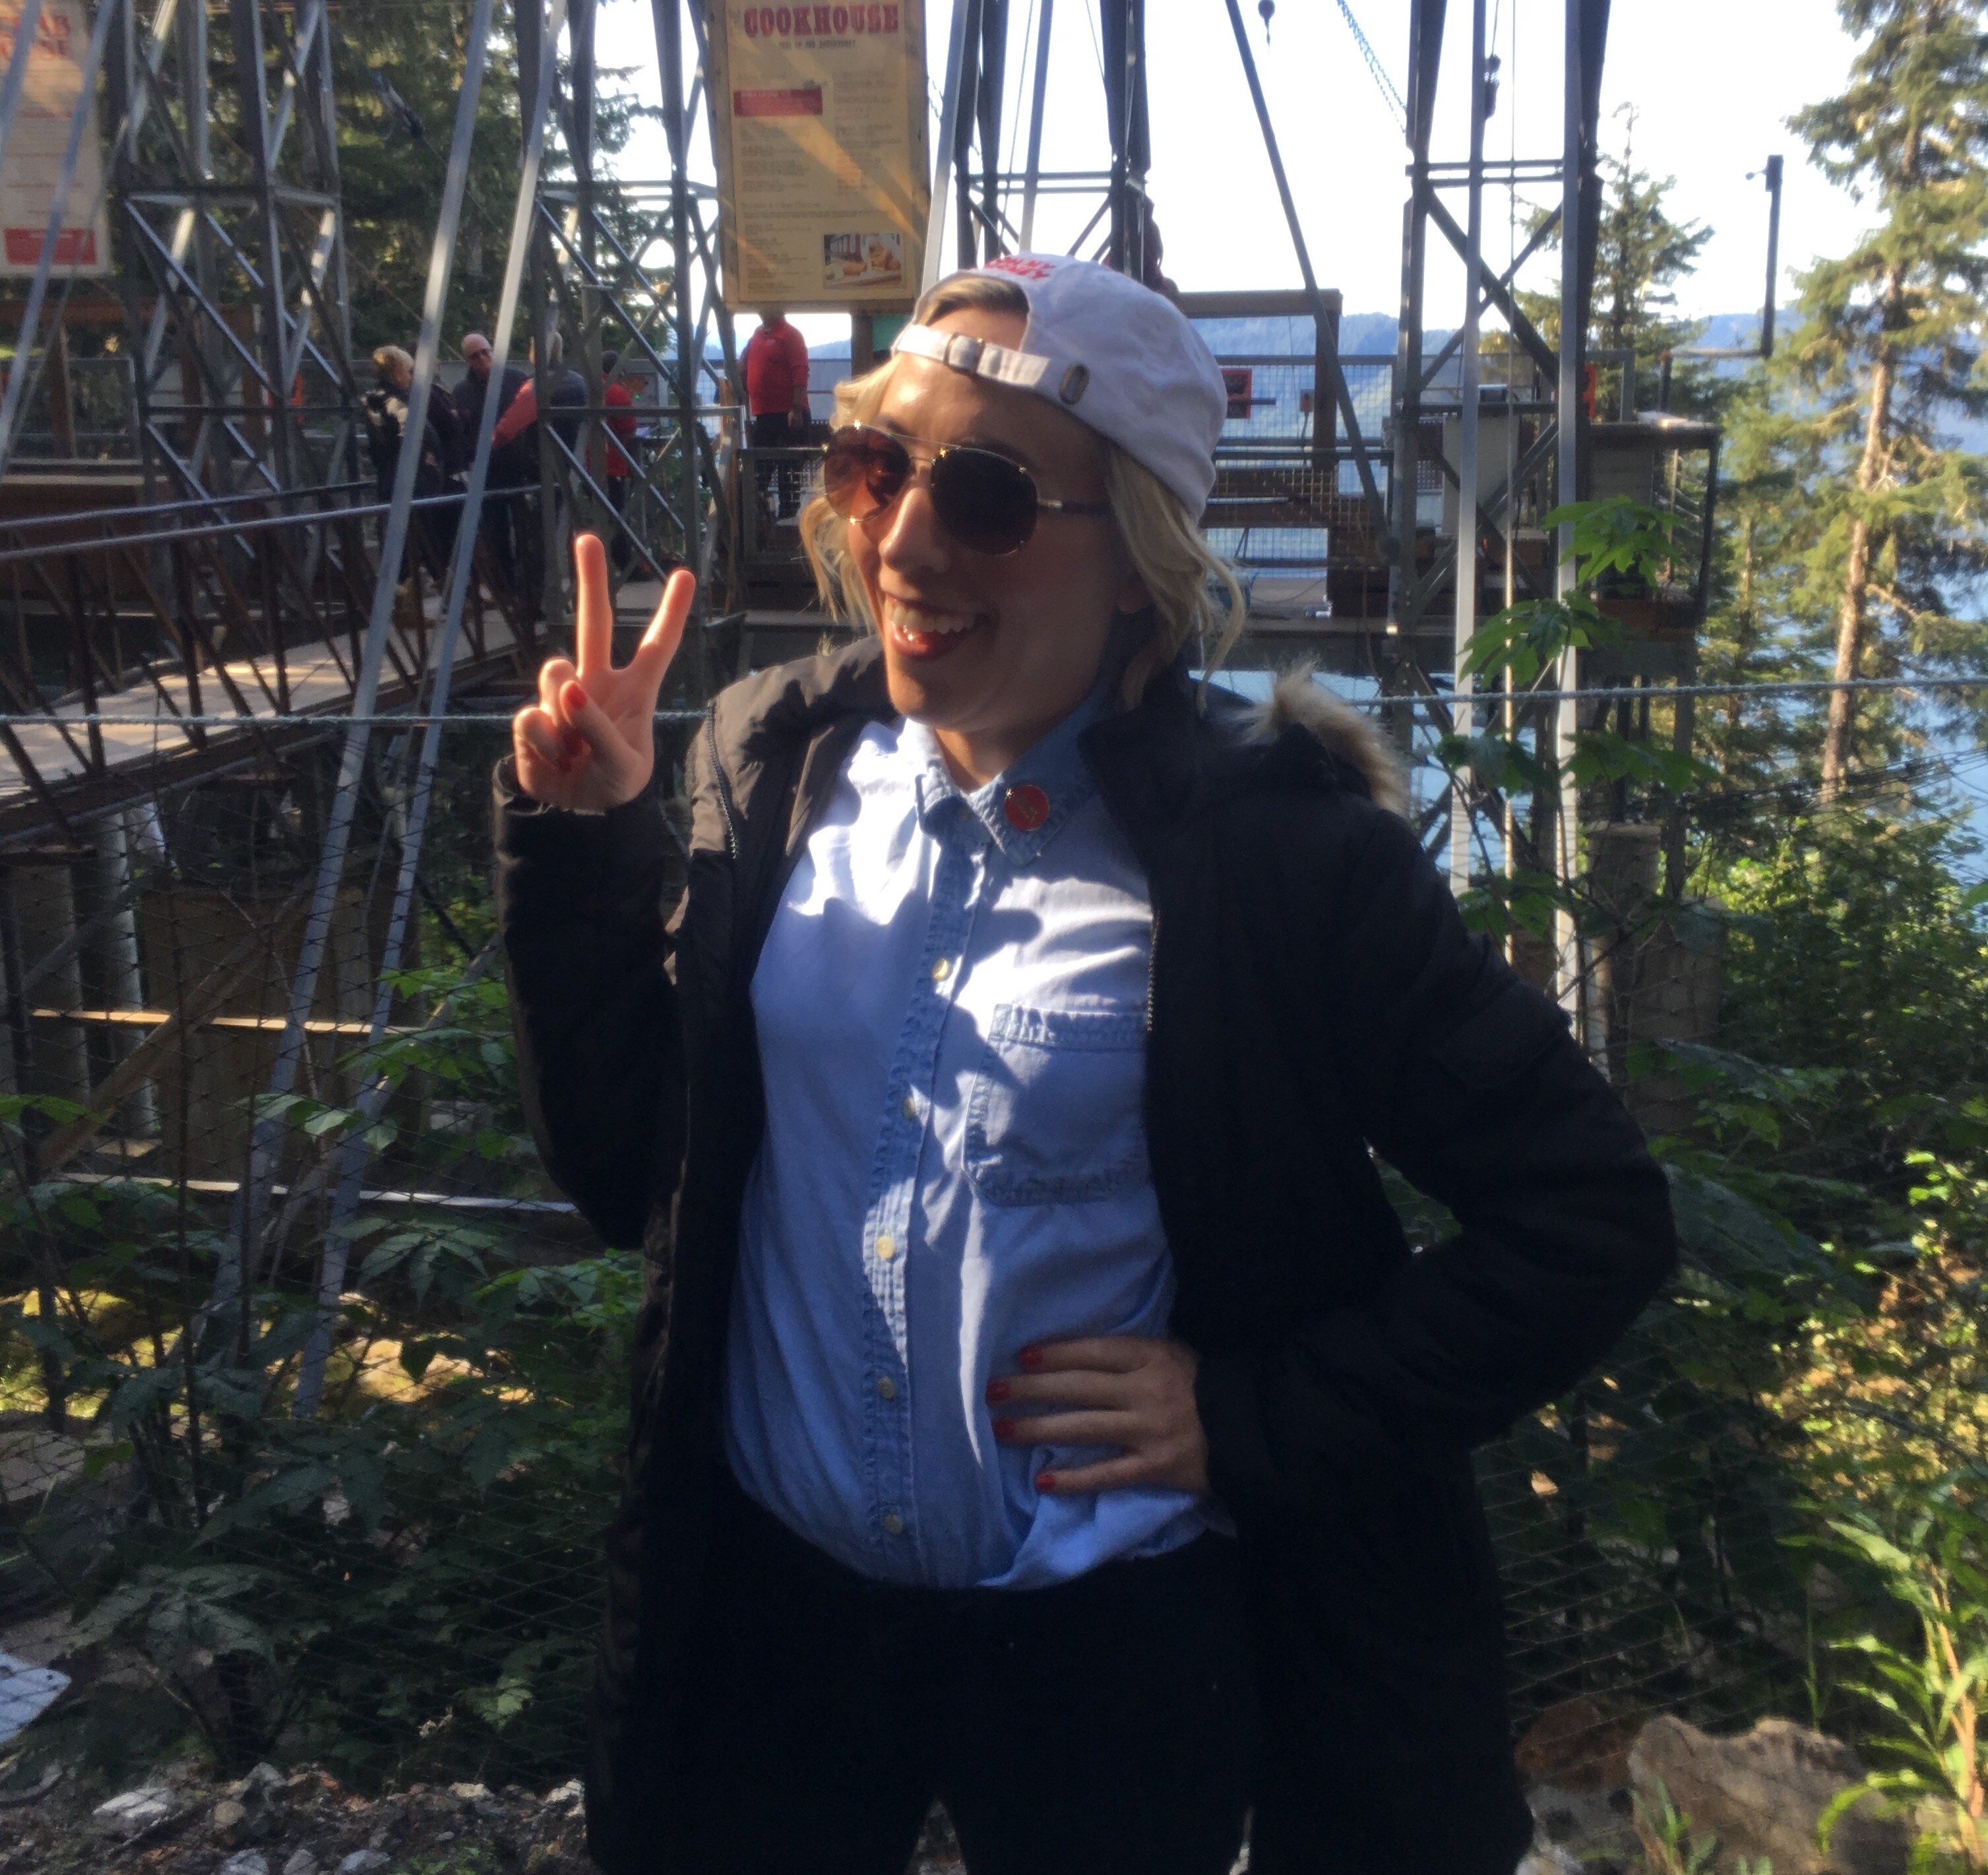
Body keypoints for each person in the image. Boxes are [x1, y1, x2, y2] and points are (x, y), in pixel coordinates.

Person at [495, 255, 1676, 1875]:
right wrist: (580, 845)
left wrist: (1252, 1416)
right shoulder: (767, 763)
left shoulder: (1272, 862)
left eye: (984, 495)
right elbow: (635, 1175)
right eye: (871, 463)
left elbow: (1586, 1219)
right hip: (775, 1612)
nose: (901, 537)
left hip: (1107, 1643)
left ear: (1138, 557)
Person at [361, 345, 450, 575]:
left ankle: (411, 601)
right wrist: (424, 459)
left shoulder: (381, 401)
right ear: (398, 373)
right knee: (423, 544)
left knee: (409, 547)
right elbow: (406, 438)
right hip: (411, 484)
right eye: (409, 371)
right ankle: (414, 602)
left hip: (401, 481)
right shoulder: (396, 403)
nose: (412, 377)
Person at [455, 331, 528, 596]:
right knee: (496, 531)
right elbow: (463, 431)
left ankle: (527, 585)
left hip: (519, 466)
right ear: (468, 361)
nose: (484, 359)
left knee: (526, 530)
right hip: (488, 472)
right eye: (476, 356)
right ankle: (506, 586)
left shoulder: (516, 380)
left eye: (486, 352)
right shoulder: (464, 391)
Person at [742, 305, 809, 516]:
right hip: (764, 414)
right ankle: (758, 516)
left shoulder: (790, 335)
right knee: (761, 468)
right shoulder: (757, 335)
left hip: (788, 414)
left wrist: (796, 408)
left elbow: (800, 371)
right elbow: (745, 364)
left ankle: (788, 514)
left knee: (787, 469)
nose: (762, 309)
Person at [593, 350, 642, 575]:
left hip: (582, 464)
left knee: (595, 515)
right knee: (618, 515)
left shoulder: (588, 386)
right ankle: (626, 566)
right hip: (611, 464)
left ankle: (599, 565)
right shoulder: (615, 391)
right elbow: (629, 428)